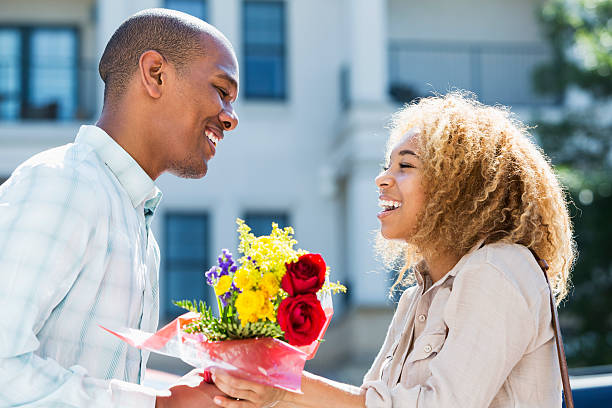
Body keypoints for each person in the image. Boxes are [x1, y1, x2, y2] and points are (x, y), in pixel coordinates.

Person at [209, 92, 576, 408]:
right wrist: (264, 384)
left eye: (406, 166)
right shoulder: (416, 298)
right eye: (387, 165)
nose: (382, 178)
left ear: (457, 187)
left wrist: (283, 384)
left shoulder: (496, 270)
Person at [0, 8, 238, 408]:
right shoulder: (63, 183)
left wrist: (176, 392)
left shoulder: (137, 225)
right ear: (155, 74)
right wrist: (161, 405)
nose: (231, 118)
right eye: (221, 89)